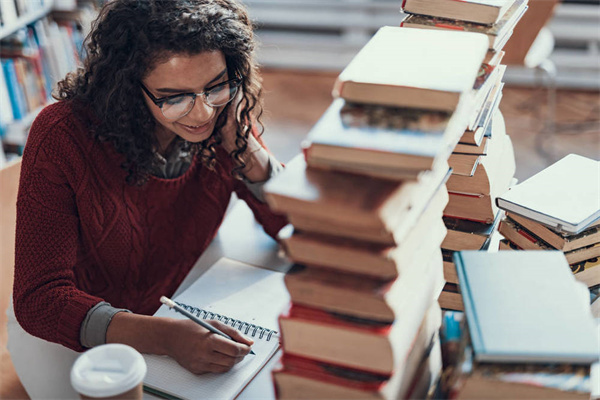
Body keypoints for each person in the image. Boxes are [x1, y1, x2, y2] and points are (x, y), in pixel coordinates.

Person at [7, 0, 287, 396]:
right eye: (174, 97)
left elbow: (294, 232)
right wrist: (166, 337)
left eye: (216, 85)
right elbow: (40, 300)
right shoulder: (61, 137)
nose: (202, 112)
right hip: (75, 327)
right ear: (127, 84)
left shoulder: (224, 113)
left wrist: (245, 148)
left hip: (178, 305)